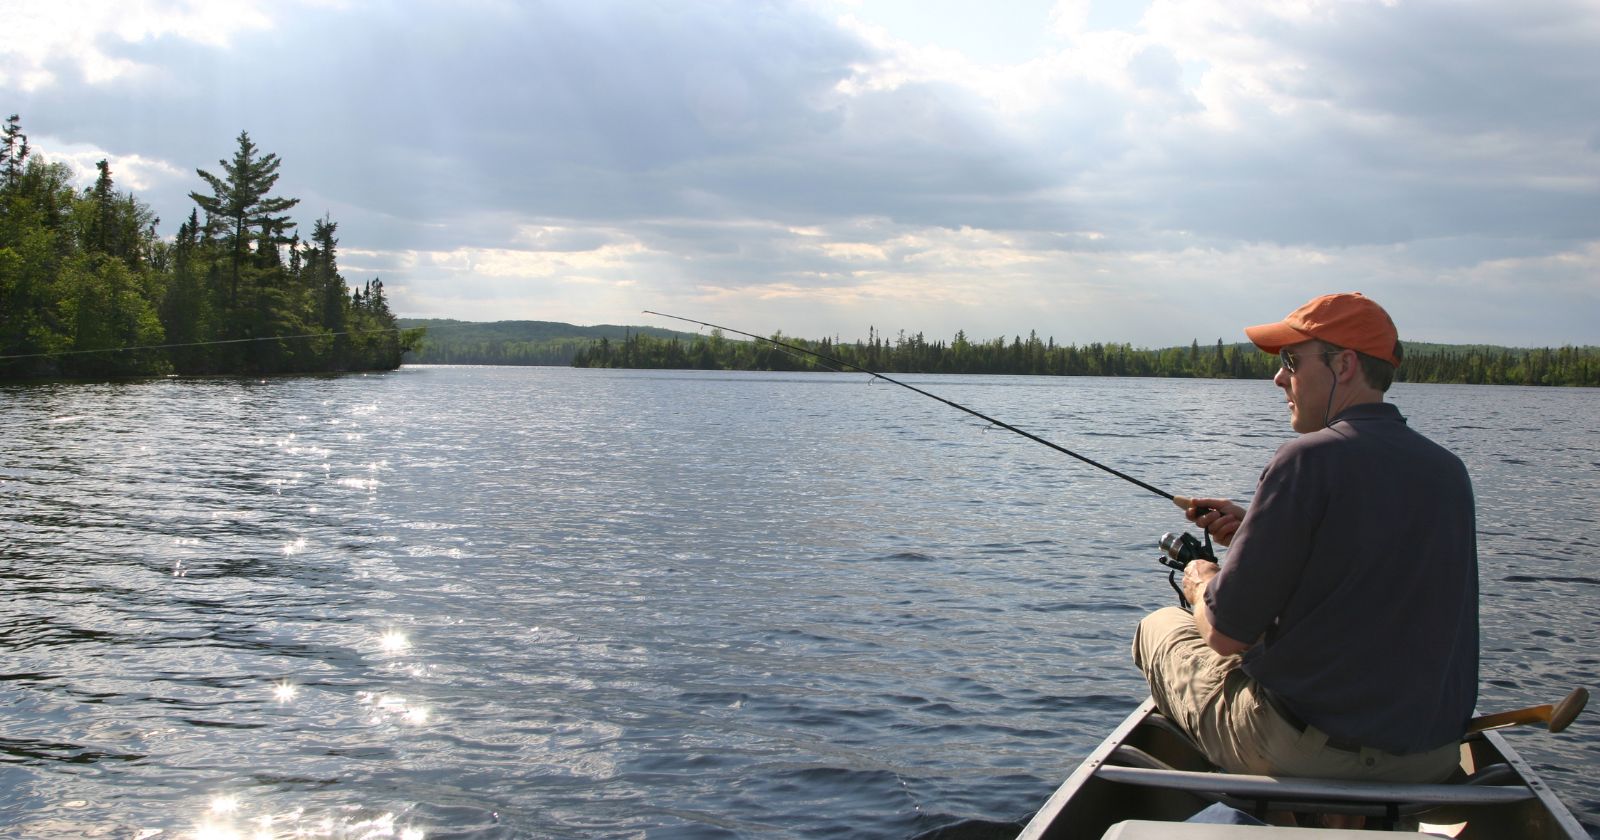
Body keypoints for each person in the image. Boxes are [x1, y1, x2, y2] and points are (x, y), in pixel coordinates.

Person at [1132, 291, 1478, 784]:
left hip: (1309, 753)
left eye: (1292, 360)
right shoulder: (1449, 471)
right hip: (1431, 757)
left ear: (1345, 365)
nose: (1279, 377)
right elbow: (1366, 557)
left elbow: (1226, 635)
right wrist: (1258, 526)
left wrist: (1201, 581)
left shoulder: (1305, 460)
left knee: (1162, 626)